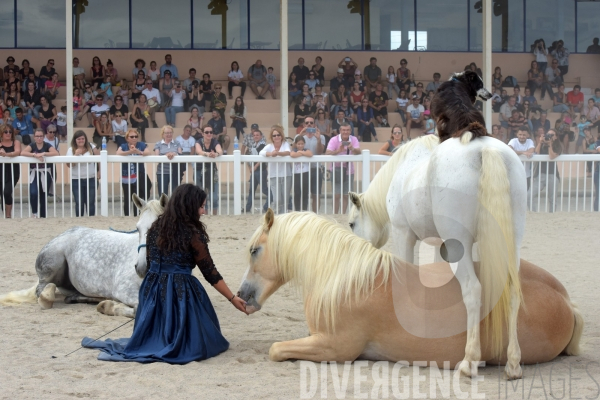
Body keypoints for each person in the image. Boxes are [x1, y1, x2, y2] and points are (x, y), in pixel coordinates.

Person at [82, 183, 246, 364]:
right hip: (181, 292)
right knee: (207, 341)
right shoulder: (193, 234)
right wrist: (232, 298)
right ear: (190, 206)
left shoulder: (154, 229)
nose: (203, 211)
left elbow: (151, 263)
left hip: (151, 292)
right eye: (201, 206)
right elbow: (210, 272)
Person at [20, 128, 59, 218]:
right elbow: (23, 152)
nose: (39, 138)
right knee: (33, 192)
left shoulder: (47, 145)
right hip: (34, 173)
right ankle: (34, 213)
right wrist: (35, 155)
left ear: (43, 136)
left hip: (46, 173)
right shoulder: (32, 145)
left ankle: (43, 216)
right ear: (34, 137)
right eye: (37, 136)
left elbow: (55, 153)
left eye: (41, 136)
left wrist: (44, 154)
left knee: (43, 194)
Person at [326, 123, 360, 214]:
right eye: (343, 130)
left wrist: (352, 148)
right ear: (340, 131)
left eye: (347, 130)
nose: (345, 132)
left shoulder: (354, 139)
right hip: (336, 169)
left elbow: (358, 151)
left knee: (346, 195)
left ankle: (343, 215)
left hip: (349, 170)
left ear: (350, 131)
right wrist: (338, 151)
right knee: (336, 195)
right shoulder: (334, 139)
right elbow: (327, 153)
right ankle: (335, 215)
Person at [117, 129, 152, 217]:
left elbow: (148, 152)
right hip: (126, 177)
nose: (134, 138)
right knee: (127, 197)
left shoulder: (141, 145)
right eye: (132, 137)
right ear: (127, 138)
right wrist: (130, 152)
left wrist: (138, 152)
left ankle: (137, 216)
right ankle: (127, 217)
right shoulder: (124, 146)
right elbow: (118, 152)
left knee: (138, 198)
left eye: (136, 136)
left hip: (139, 176)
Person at [65, 130, 99, 217]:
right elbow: (69, 165)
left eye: (82, 139)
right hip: (76, 179)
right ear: (75, 140)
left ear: (85, 139)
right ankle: (79, 221)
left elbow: (100, 159)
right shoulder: (71, 150)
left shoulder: (92, 147)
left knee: (91, 202)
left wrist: (99, 171)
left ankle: (91, 221)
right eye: (78, 139)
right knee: (79, 202)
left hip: (91, 178)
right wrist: (75, 156)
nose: (81, 140)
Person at [259, 125, 291, 214]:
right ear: (272, 137)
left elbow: (288, 152)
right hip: (274, 176)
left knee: (285, 199)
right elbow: (261, 152)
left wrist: (278, 153)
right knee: (277, 200)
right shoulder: (269, 146)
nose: (276, 137)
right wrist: (271, 154)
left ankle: (283, 218)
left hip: (286, 175)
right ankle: (276, 216)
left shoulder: (285, 144)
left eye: (278, 135)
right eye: (274, 135)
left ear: (281, 136)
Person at [528, 128, 562, 212]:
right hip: (541, 173)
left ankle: (552, 215)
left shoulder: (558, 145)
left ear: (556, 137)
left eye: (552, 135)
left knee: (552, 199)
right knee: (529, 195)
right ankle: (534, 213)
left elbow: (552, 156)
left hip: (552, 174)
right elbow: (536, 154)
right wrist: (540, 142)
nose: (549, 136)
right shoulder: (542, 144)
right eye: (548, 134)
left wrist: (550, 145)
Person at [296, 116, 325, 212]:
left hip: (316, 169)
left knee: (316, 195)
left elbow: (320, 152)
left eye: (311, 123)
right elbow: (294, 149)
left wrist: (318, 139)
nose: (309, 124)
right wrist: (300, 134)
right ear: (304, 125)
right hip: (303, 170)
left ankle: (315, 217)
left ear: (314, 125)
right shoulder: (299, 137)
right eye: (307, 123)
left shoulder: (321, 137)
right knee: (302, 194)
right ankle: (303, 216)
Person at [195, 125, 223, 215]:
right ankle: (204, 215)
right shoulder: (198, 142)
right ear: (202, 134)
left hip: (212, 171)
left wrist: (216, 154)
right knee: (202, 196)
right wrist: (207, 154)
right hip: (200, 171)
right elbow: (199, 151)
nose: (209, 134)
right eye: (207, 132)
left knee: (214, 197)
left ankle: (214, 217)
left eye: (211, 132)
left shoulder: (215, 141)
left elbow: (220, 151)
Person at [244, 129, 270, 213]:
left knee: (264, 190)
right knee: (251, 190)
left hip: (261, 170)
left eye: (257, 135)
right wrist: (250, 168)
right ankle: (248, 207)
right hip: (254, 171)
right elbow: (248, 157)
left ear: (261, 136)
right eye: (254, 135)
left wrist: (255, 167)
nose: (255, 136)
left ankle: (267, 205)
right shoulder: (253, 146)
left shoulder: (263, 145)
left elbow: (262, 158)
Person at [154, 125, 182, 196]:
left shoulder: (177, 143)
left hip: (175, 172)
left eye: (170, 132)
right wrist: (166, 155)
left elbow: (180, 154)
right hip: (162, 172)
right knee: (163, 194)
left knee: (175, 193)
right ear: (163, 134)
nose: (169, 134)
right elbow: (157, 156)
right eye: (166, 133)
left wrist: (173, 154)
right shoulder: (158, 144)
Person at [0, 124, 21, 218]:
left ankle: (8, 215)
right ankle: (5, 214)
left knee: (7, 192)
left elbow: (17, 152)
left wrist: (6, 154)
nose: (8, 133)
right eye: (6, 132)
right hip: (1, 171)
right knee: (2, 194)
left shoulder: (16, 142)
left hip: (13, 171)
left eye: (10, 132)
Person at [290, 136, 313, 211]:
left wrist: (301, 152)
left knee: (305, 192)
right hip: (296, 174)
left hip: (305, 173)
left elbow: (310, 154)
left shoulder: (306, 150)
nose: (300, 145)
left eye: (302, 144)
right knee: (297, 192)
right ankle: (297, 210)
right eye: (299, 144)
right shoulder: (294, 150)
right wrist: (302, 153)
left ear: (304, 144)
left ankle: (304, 209)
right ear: (296, 144)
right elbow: (292, 155)